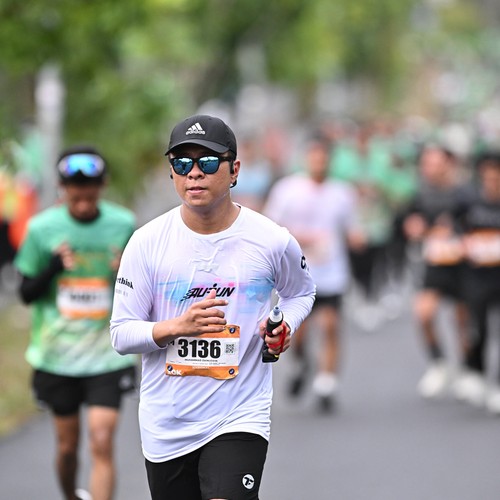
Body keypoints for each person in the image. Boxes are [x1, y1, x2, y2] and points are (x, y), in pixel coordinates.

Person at [110, 114, 315, 500]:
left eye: (207, 162)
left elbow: (301, 293)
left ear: (234, 169)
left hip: (239, 414)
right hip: (167, 422)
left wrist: (283, 324)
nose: (194, 174)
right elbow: (121, 334)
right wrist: (176, 326)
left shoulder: (271, 240)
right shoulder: (146, 242)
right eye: (181, 164)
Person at [14, 145, 138, 500]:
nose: (83, 201)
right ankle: (71, 495)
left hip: (107, 354)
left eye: (90, 192)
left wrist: (124, 272)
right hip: (57, 355)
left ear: (103, 185)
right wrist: (53, 267)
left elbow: (142, 290)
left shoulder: (123, 224)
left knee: (102, 440)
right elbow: (25, 293)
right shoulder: (42, 229)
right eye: (75, 193)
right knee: (68, 448)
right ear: (62, 188)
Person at [263, 135, 358, 412]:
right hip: (297, 276)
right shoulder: (287, 190)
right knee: (299, 335)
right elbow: (269, 227)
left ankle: (326, 383)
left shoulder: (342, 193)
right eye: (314, 156)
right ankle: (302, 364)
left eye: (323, 157)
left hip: (331, 273)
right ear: (306, 158)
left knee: (330, 326)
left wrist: (357, 238)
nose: (319, 162)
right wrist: (301, 237)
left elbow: (351, 229)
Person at [401, 144, 469, 399]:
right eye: (426, 164)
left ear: (449, 164)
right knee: (424, 313)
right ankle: (439, 363)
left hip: (463, 265)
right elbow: (407, 222)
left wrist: (455, 230)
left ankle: (466, 370)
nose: (430, 169)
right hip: (434, 263)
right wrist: (412, 227)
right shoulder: (420, 195)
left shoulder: (465, 193)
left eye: (435, 164)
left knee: (462, 320)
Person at [453, 151, 500, 413]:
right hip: (477, 275)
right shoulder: (468, 201)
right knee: (477, 328)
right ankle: (477, 372)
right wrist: (465, 243)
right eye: (488, 175)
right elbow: (454, 227)